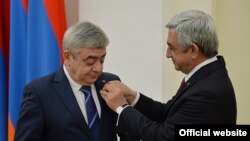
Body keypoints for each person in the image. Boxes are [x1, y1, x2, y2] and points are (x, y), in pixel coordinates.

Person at [100, 9, 237, 141]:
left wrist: (121, 107)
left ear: (193, 50)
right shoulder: (205, 75)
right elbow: (167, 113)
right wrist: (132, 96)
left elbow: (162, 136)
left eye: (172, 48)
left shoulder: (207, 92)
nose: (167, 54)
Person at [14, 21, 136, 141]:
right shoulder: (39, 92)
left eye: (102, 60)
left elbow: (127, 132)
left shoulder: (110, 82)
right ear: (67, 57)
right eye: (90, 61)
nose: (98, 68)